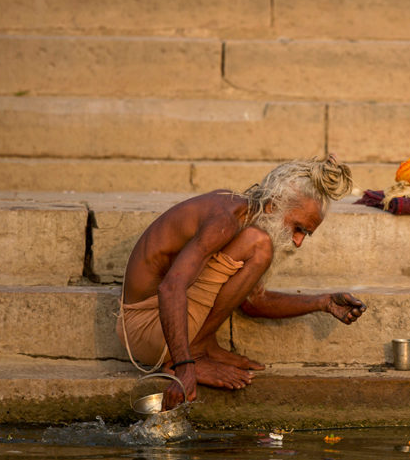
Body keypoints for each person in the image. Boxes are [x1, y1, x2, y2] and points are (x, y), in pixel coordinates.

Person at [117, 155, 367, 408]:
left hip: (160, 328)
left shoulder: (245, 215)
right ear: (273, 206)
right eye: (298, 228)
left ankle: (202, 345)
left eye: (306, 234)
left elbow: (253, 302)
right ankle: (195, 350)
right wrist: (184, 367)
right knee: (259, 244)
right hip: (147, 329)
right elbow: (171, 287)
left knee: (257, 244)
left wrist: (323, 302)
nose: (298, 241)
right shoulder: (225, 219)